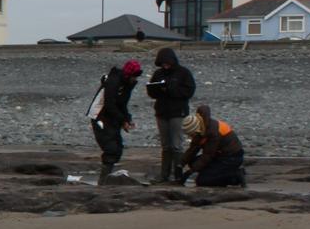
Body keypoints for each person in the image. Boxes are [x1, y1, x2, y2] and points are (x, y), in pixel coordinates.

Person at [144, 47, 197, 183]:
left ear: (172, 61)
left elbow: (189, 92)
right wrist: (155, 89)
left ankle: (178, 175)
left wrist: (170, 88)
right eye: (162, 63)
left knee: (177, 145)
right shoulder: (158, 74)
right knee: (166, 146)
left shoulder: (184, 73)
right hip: (161, 113)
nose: (165, 65)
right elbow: (152, 93)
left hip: (178, 113)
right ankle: (164, 175)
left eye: (166, 62)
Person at [87, 59, 142, 181]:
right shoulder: (113, 81)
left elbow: (122, 104)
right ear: (128, 74)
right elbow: (110, 104)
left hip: (112, 116)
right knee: (111, 148)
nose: (136, 78)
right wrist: (123, 120)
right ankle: (103, 180)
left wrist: (127, 119)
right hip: (99, 115)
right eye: (134, 75)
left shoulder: (127, 84)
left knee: (117, 148)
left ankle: (106, 178)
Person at [181, 105, 246, 186]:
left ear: (196, 130)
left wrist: (190, 171)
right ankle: (215, 173)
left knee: (203, 181)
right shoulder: (202, 127)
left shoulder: (213, 133)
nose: (190, 137)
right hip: (219, 154)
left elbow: (207, 155)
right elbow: (193, 149)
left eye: (191, 135)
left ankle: (235, 176)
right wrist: (181, 164)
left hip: (232, 157)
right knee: (193, 162)